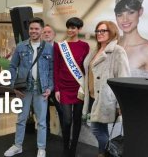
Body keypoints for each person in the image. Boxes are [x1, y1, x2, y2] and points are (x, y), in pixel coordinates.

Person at [4, 17, 53, 157]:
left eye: (37, 28)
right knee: (21, 119)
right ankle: (17, 145)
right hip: (24, 89)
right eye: (31, 28)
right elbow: (12, 66)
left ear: (42, 30)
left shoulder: (48, 48)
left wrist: (50, 87)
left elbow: (51, 70)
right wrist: (14, 85)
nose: (33, 31)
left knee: (42, 121)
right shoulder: (21, 46)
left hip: (41, 89)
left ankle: (41, 148)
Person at [81, 21, 130, 157]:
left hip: (106, 98)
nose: (99, 34)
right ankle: (107, 152)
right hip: (92, 97)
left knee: (96, 129)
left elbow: (124, 79)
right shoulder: (95, 50)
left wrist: (121, 103)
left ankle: (103, 153)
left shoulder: (118, 51)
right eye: (98, 31)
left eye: (103, 31)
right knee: (100, 128)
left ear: (112, 32)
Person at [54, 17, 89, 157]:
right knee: (67, 120)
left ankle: (73, 148)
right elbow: (56, 68)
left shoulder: (84, 46)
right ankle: (65, 147)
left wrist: (86, 87)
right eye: (68, 27)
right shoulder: (59, 46)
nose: (70, 30)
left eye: (73, 27)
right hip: (63, 87)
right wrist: (57, 88)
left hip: (79, 88)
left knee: (77, 119)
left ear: (79, 29)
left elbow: (86, 68)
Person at [114, 0, 148, 78]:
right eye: (119, 14)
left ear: (140, 12)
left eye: (131, 12)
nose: (125, 19)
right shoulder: (112, 44)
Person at [42, 24, 63, 137]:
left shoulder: (60, 48)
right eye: (44, 32)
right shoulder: (38, 49)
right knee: (44, 113)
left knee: (61, 111)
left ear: (54, 35)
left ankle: (64, 136)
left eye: (49, 32)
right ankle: (45, 136)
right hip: (43, 86)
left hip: (57, 86)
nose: (46, 34)